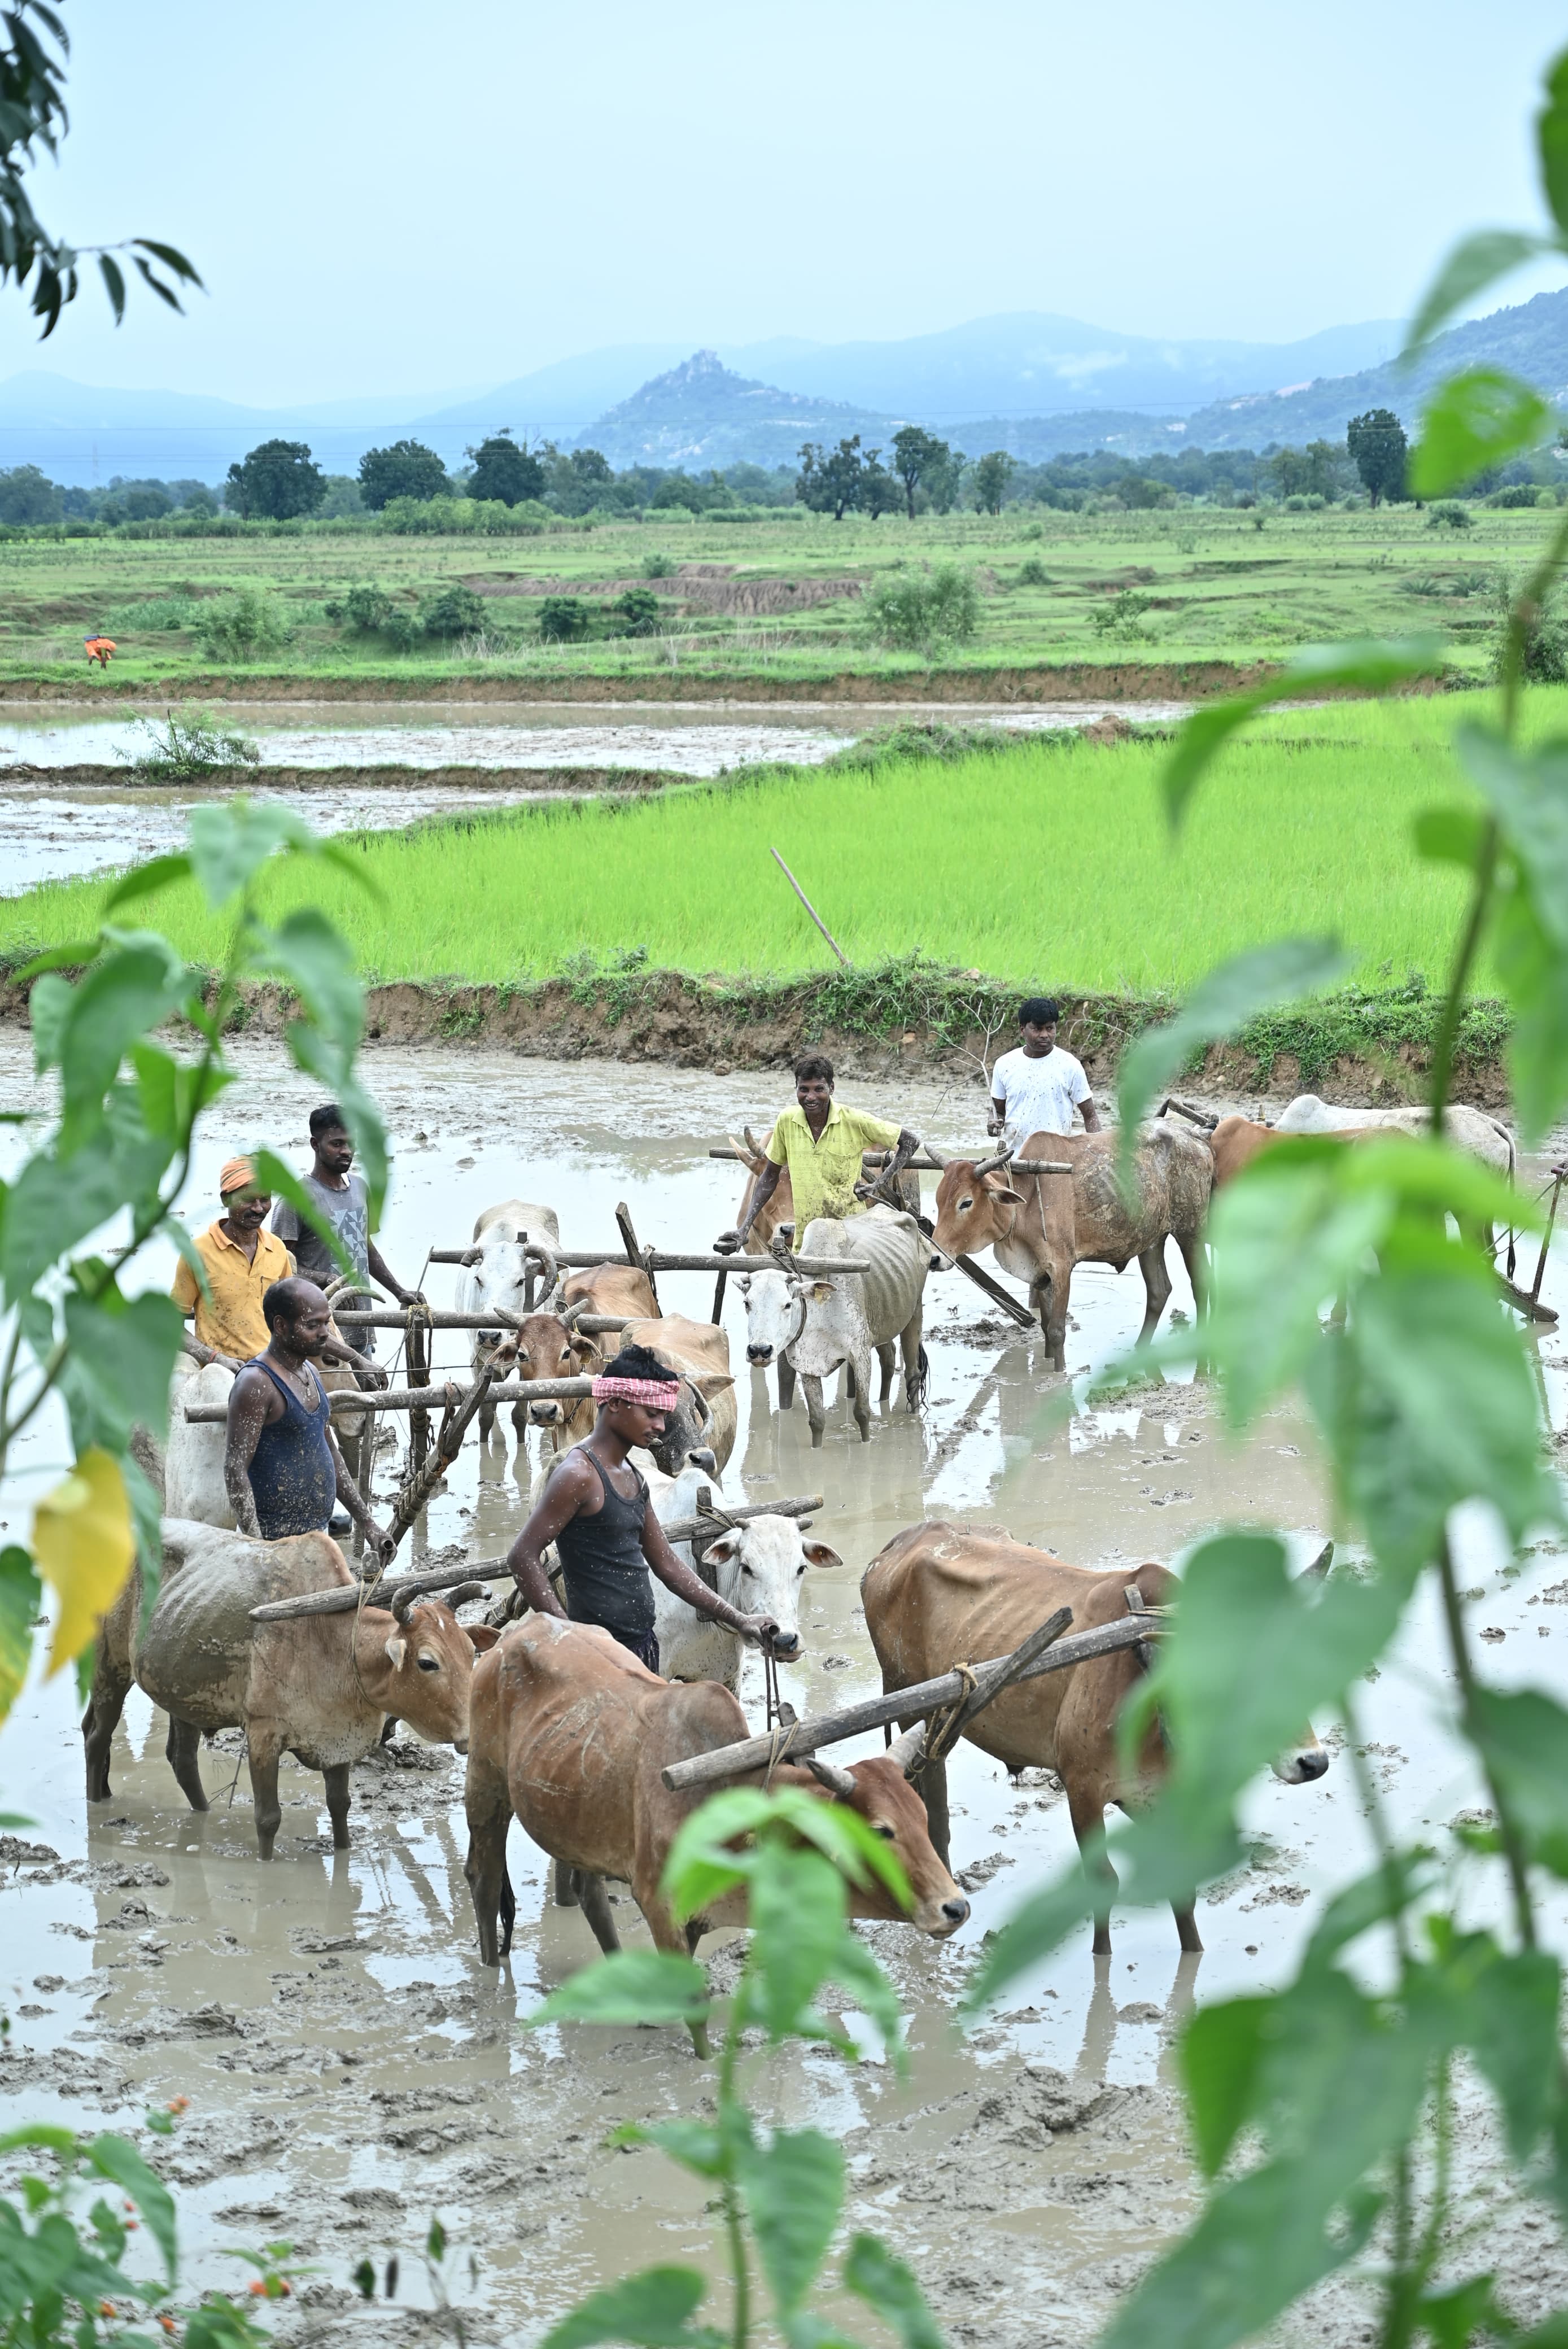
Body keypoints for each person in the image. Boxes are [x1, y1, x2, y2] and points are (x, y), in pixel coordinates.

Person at [506, 1344, 779, 1671]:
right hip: (598, 1656)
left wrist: (739, 1619)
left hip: (644, 1647)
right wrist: (565, 1635)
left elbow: (667, 1566)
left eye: (663, 1416)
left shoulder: (634, 1475)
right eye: (652, 1414)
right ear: (617, 1404)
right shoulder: (578, 1474)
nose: (661, 1426)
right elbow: (522, 1556)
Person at [224, 1276, 395, 1559]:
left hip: (317, 1536)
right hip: (274, 1543)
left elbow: (329, 1451)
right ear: (281, 1326)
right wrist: (256, 1547)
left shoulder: (312, 1375)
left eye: (326, 1323)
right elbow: (235, 1469)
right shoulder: (256, 1383)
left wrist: (369, 1525)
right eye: (312, 1325)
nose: (325, 1333)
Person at [714, 1053, 921, 1255]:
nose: (810, 1097)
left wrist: (878, 1183)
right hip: (804, 1242)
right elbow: (769, 1177)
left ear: (831, 1088)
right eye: (804, 1089)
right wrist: (744, 1229)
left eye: (818, 1089)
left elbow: (910, 1142)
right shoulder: (787, 1121)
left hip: (850, 1240)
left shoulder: (855, 1121)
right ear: (796, 1088)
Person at [270, 1104, 421, 1363]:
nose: (347, 1152)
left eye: (351, 1144)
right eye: (337, 1144)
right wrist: (326, 1278)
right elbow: (279, 1266)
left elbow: (365, 1247)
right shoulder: (296, 1198)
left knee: (367, 1398)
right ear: (315, 1145)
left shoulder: (361, 1189)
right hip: (317, 1332)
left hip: (362, 1324)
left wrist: (398, 1291)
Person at [171, 1159, 297, 1371]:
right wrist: (215, 1358)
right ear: (226, 1199)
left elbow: (290, 1316)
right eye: (248, 1200)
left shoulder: (277, 1249)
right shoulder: (198, 1253)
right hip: (219, 1373)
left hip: (271, 1368)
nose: (258, 1209)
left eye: (265, 1199)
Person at [988, 997, 1101, 1148]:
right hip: (1013, 1159)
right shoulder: (1005, 1064)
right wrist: (993, 1123)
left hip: (1057, 1158)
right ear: (1022, 1030)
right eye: (1037, 1029)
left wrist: (1098, 1149)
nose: (1044, 1035)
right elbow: (998, 1111)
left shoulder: (1070, 1065)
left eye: (1050, 1028)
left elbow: (1090, 1116)